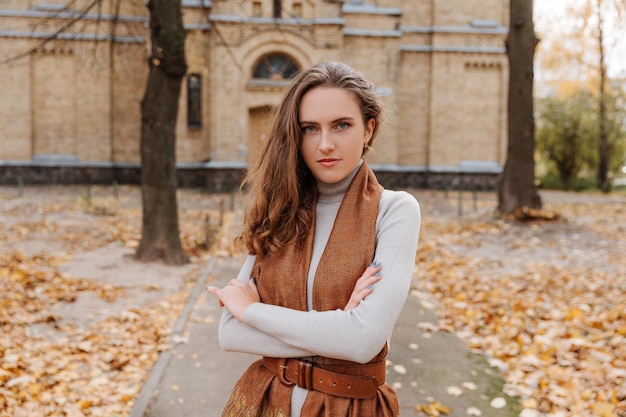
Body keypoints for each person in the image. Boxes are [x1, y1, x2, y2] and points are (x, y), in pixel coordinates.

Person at [206, 61, 421, 417]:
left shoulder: (394, 210)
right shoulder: (280, 208)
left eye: (341, 125)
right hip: (262, 400)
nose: (325, 144)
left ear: (368, 129)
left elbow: (363, 341)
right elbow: (230, 333)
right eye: (310, 128)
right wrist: (339, 322)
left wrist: (253, 311)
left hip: (349, 407)